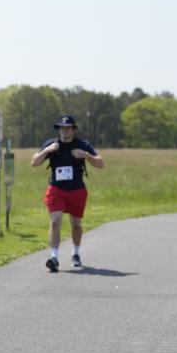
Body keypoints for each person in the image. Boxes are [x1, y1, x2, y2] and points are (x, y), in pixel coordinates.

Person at [30, 114, 104, 272]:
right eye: (62, 128)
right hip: (56, 189)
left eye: (68, 128)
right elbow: (34, 162)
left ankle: (76, 253)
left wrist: (86, 155)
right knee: (55, 221)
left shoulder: (82, 144)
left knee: (75, 224)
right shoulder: (51, 144)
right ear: (58, 130)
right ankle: (54, 257)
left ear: (73, 129)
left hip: (77, 190)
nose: (65, 131)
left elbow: (100, 163)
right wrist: (47, 150)